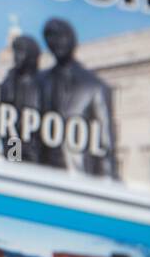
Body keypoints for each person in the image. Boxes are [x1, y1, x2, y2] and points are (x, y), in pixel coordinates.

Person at [38, 18, 118, 178]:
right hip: (41, 176)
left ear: (72, 39)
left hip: (78, 178)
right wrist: (15, 165)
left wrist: (107, 185)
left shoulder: (94, 87)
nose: (56, 42)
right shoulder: (40, 81)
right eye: (50, 38)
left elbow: (105, 144)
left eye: (61, 36)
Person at [0, 35, 42, 163]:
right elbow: (6, 124)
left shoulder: (43, 82)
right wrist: (14, 157)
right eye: (15, 52)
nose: (17, 56)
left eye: (21, 52)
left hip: (37, 150)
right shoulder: (9, 83)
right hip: (16, 144)